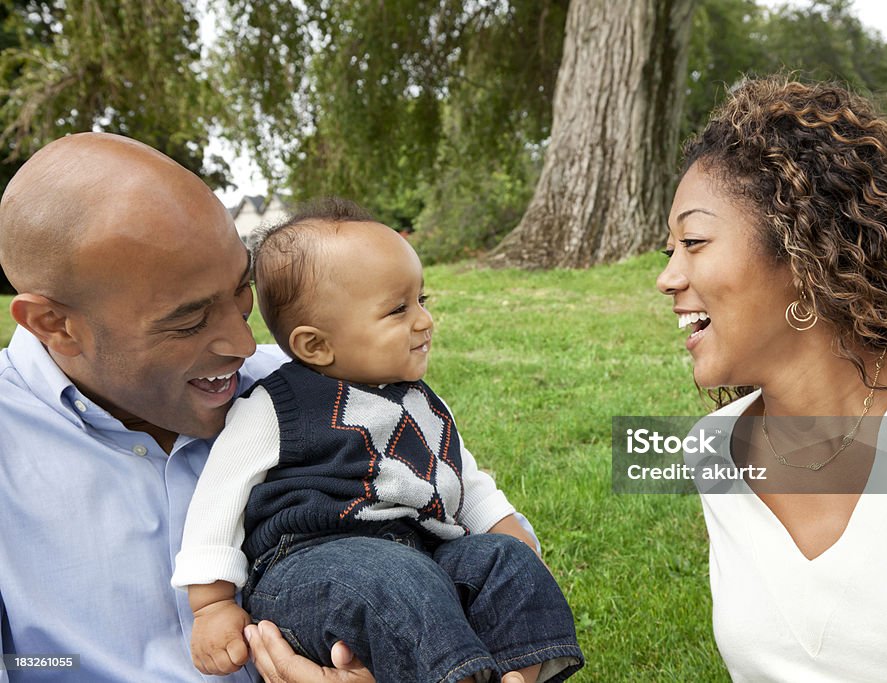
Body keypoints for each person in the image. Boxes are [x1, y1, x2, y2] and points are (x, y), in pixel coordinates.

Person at [656, 77, 887, 681]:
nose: (668, 278)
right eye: (668, 251)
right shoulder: (713, 451)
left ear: (803, 256)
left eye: (694, 242)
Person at [0, 133, 388, 682]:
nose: (244, 344)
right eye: (187, 321)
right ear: (55, 325)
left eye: (241, 289)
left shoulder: (306, 387)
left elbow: (471, 523)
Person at [171, 199, 583, 683]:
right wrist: (214, 603)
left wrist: (509, 537)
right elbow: (220, 498)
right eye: (398, 309)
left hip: (421, 555)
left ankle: (519, 675)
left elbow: (465, 482)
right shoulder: (277, 405)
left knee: (507, 560)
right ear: (315, 345)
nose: (425, 321)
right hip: (312, 567)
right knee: (395, 576)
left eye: (422, 301)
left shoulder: (425, 402)